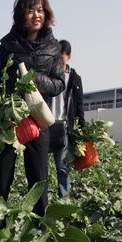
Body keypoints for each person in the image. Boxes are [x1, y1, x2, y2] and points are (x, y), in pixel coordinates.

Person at [0, 0, 65, 216]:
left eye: (40, 11)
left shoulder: (53, 48)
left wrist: (35, 79)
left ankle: (40, 229)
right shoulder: (7, 46)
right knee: (1, 180)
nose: (36, 15)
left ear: (46, 15)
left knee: (39, 181)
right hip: (8, 123)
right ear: (21, 15)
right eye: (30, 10)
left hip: (37, 121)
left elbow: (58, 83)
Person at [49, 39, 85, 199]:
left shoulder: (75, 79)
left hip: (63, 127)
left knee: (62, 168)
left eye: (61, 56)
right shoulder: (48, 75)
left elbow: (80, 105)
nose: (58, 59)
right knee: (39, 168)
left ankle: (64, 201)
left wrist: (82, 128)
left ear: (68, 56)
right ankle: (40, 202)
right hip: (46, 124)